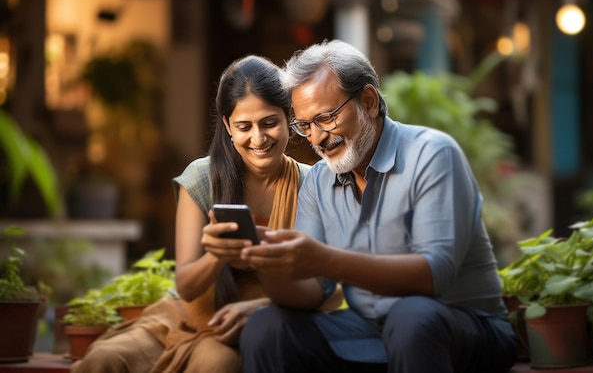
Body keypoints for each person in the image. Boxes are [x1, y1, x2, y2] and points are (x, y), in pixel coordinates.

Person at [238, 40, 518, 373]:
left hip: (464, 329)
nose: (316, 138)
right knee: (266, 327)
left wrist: (325, 258)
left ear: (368, 102)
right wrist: (261, 258)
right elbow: (311, 292)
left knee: (412, 316)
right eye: (305, 125)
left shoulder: (432, 154)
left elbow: (434, 276)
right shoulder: (318, 182)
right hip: (370, 332)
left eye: (326, 118)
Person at [71, 54, 311, 373]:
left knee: (217, 365)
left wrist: (260, 309)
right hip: (185, 316)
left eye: (270, 123)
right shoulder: (201, 179)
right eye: (244, 126)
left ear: (288, 118)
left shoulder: (311, 185)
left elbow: (323, 286)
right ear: (227, 125)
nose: (259, 138)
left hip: (254, 323)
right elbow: (185, 284)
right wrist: (216, 255)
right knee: (105, 360)